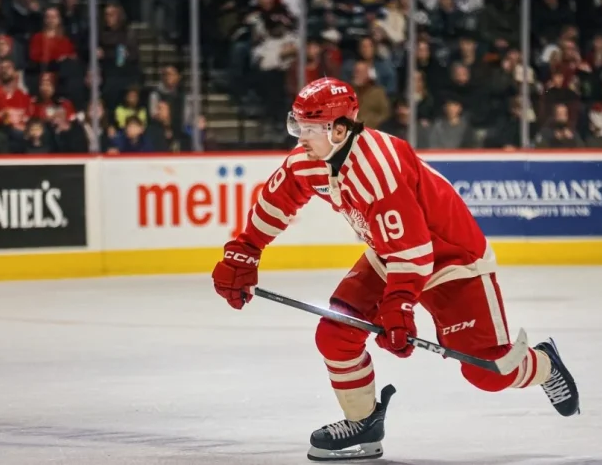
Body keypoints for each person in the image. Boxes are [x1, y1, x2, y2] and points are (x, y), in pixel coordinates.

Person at [211, 78, 580, 461]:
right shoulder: (310, 158)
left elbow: (414, 249)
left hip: (453, 260)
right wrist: (245, 250)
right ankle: (363, 422)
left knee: (487, 373)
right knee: (336, 334)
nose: (300, 137)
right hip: (392, 253)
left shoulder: (378, 167)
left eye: (310, 128)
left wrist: (398, 306)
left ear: (339, 130)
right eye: (297, 125)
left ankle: (545, 364)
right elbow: (278, 197)